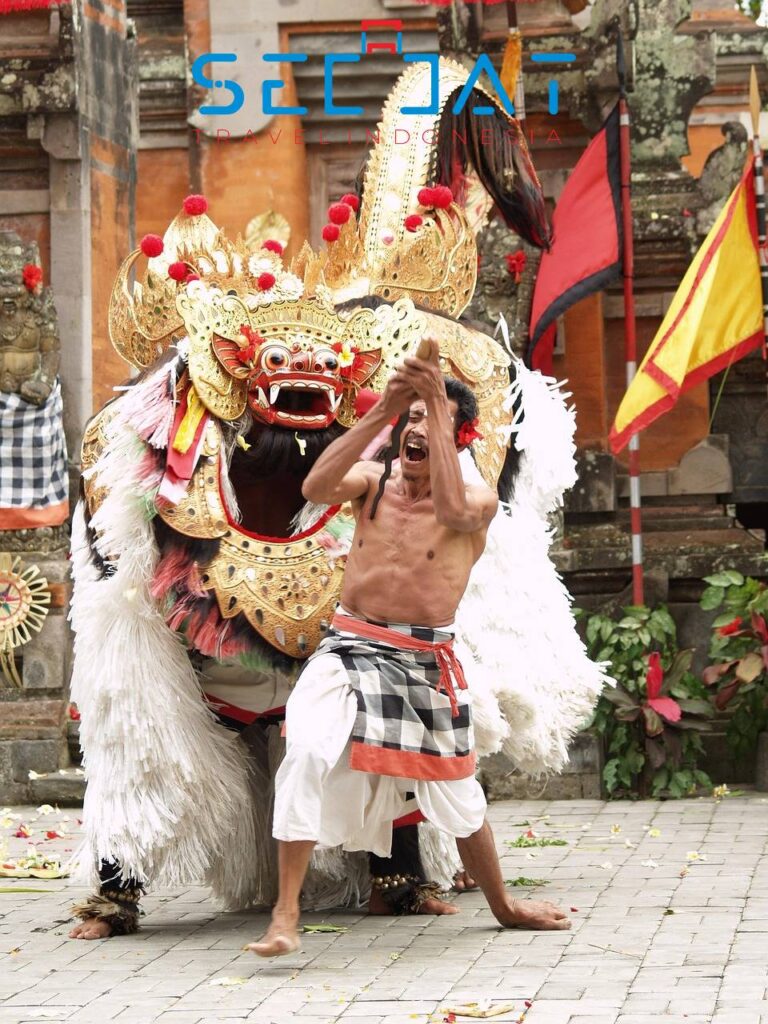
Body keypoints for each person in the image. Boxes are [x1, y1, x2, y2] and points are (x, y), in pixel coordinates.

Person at [247, 338, 572, 958]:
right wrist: (384, 409)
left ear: (460, 435)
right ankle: (285, 915)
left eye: (435, 418)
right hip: (349, 647)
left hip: (424, 659)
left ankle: (504, 905)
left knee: (457, 792)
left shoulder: (477, 499)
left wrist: (434, 406)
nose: (419, 428)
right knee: (306, 752)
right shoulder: (374, 481)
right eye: (415, 418)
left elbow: (451, 507)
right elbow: (315, 485)